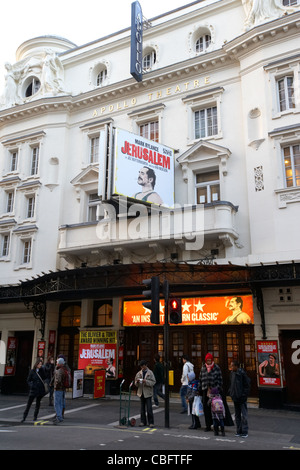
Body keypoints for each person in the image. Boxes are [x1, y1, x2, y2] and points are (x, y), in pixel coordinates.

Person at [198, 353, 223, 431]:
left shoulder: (216, 367)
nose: (208, 362)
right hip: (205, 390)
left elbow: (220, 379)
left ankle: (217, 425)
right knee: (206, 408)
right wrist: (200, 389)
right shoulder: (203, 368)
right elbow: (200, 378)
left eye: (210, 360)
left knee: (216, 408)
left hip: (214, 391)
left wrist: (217, 388)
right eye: (207, 360)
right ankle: (208, 425)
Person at [229, 360, 251, 438]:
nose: (231, 367)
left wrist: (244, 395)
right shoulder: (232, 374)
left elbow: (247, 385)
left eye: (232, 366)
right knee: (237, 415)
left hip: (241, 397)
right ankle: (238, 430)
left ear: (236, 366)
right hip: (235, 396)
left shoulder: (242, 374)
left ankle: (244, 431)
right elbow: (231, 384)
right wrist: (231, 393)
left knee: (244, 415)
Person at [21, 358, 46, 422]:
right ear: (36, 364)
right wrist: (32, 385)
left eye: (41, 364)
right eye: (39, 364)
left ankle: (35, 417)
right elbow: (28, 380)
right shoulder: (32, 371)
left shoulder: (41, 371)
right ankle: (24, 417)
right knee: (29, 404)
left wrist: (43, 369)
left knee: (38, 404)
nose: (40, 365)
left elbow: (45, 377)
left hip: (40, 390)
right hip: (33, 390)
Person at [134, 359, 156, 427]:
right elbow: (135, 383)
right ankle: (143, 422)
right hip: (141, 392)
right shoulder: (139, 373)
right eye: (141, 367)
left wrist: (146, 381)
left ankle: (151, 422)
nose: (142, 368)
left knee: (149, 408)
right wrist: (137, 382)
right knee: (142, 408)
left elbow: (153, 382)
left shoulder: (150, 373)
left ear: (146, 365)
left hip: (148, 393)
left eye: (143, 366)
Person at [53, 357, 66, 424]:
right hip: (63, 389)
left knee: (57, 403)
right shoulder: (64, 369)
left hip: (58, 389)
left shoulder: (59, 371)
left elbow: (58, 380)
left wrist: (55, 386)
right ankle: (60, 416)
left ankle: (59, 417)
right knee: (60, 403)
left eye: (57, 362)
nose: (56, 363)